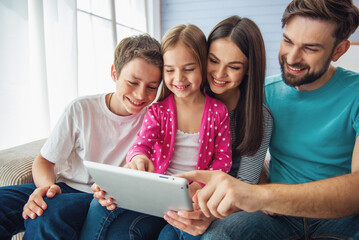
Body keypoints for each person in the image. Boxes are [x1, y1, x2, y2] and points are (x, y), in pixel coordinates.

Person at [174, 0, 359, 239]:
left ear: (339, 50)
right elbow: (249, 154)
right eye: (288, 41)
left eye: (310, 48)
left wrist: (259, 194)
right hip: (275, 217)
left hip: (339, 220)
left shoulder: (355, 93)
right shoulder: (263, 93)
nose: (292, 58)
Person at [0, 34, 163, 240]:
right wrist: (46, 188)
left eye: (151, 87)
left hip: (102, 199)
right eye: (132, 82)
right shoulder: (81, 109)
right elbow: (44, 160)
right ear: (114, 73)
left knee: (49, 213)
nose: (140, 95)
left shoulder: (156, 118)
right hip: (65, 188)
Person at [79, 24, 233, 240]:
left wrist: (198, 187)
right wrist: (139, 158)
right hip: (155, 193)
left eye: (188, 69)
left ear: (203, 66)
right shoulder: (158, 111)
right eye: (170, 70)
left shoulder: (218, 112)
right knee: (99, 203)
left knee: (171, 236)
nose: (178, 78)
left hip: (193, 200)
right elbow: (141, 145)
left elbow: (223, 162)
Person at [158, 15, 273, 239]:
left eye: (234, 67)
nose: (219, 74)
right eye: (213, 60)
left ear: (249, 69)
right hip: (184, 195)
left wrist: (208, 214)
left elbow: (246, 184)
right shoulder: (188, 96)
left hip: (227, 199)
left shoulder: (260, 117)